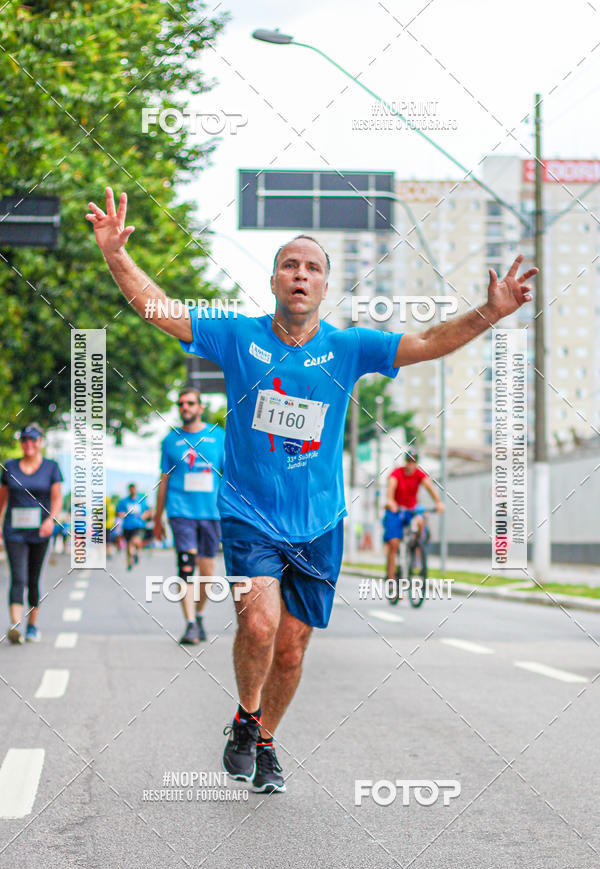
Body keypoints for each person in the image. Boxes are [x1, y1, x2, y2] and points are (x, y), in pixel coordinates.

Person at [87, 186, 537, 793]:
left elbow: (429, 343)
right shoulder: (237, 335)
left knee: (294, 650)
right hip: (249, 515)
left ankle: (262, 736)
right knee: (261, 625)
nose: (301, 275)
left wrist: (491, 312)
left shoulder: (349, 347)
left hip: (321, 522)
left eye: (313, 268)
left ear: (325, 287)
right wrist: (117, 255)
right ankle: (247, 718)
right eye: (290, 265)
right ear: (274, 279)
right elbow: (162, 309)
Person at [154, 387, 225, 645]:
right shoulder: (170, 441)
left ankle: (200, 614)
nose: (185, 407)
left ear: (200, 407)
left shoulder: (218, 436)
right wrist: (157, 518)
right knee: (185, 566)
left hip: (211, 514)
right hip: (180, 512)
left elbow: (227, 477)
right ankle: (190, 624)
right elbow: (164, 480)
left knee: (207, 573)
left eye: (190, 403)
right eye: (181, 403)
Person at [0, 423, 63, 644]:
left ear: (40, 442)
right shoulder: (9, 467)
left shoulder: (51, 467)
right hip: (14, 531)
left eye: (33, 440)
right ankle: (15, 625)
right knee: (17, 577)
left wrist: (51, 520)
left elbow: (57, 498)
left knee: (33, 579)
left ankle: (32, 625)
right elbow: (2, 499)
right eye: (25, 440)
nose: (28, 444)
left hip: (40, 531)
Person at [383, 451, 444, 581]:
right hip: (396, 510)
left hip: (411, 510)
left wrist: (438, 502)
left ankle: (417, 548)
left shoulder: (419, 474)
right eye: (409, 461)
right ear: (405, 462)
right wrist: (390, 501)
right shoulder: (396, 474)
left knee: (420, 522)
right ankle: (390, 578)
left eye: (414, 462)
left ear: (416, 463)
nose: (411, 465)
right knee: (394, 544)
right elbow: (390, 489)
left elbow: (430, 488)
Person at [116, 483, 151, 570]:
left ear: (136, 489)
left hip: (139, 526)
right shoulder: (124, 501)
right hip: (127, 526)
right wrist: (122, 514)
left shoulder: (141, 500)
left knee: (135, 541)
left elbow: (148, 511)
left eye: (134, 489)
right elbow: (118, 512)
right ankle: (129, 560)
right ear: (129, 490)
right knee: (129, 545)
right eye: (131, 489)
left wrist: (145, 515)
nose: (132, 491)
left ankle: (135, 553)